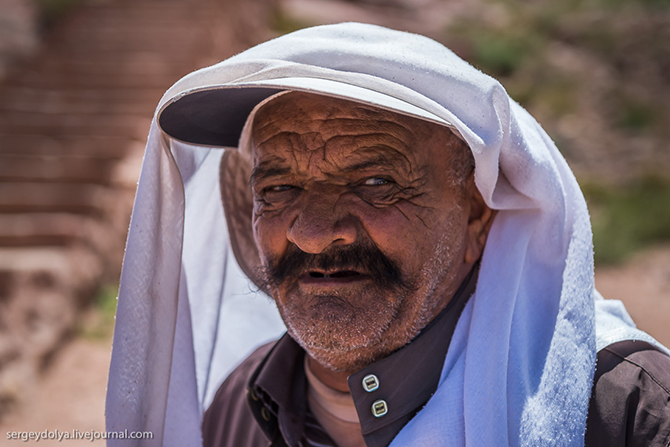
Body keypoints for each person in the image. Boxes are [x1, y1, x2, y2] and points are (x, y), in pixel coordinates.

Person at [105, 23, 670, 447]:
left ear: (478, 211)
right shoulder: (243, 406)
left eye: (375, 182)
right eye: (278, 190)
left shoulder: (623, 412)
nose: (314, 233)